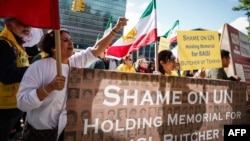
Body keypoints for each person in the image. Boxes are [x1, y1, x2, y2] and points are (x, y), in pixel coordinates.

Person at [16, 17, 128, 140]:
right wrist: (49, 88)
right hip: (39, 133)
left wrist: (116, 29)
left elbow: (96, 49)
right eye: (65, 40)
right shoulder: (38, 67)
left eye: (71, 40)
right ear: (53, 47)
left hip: (64, 131)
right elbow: (22, 103)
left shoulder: (74, 63)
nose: (71, 43)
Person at [0, 17, 31, 141]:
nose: (28, 27)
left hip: (14, 106)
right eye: (23, 23)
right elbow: (7, 75)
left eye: (29, 24)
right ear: (9, 25)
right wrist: (33, 70)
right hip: (4, 109)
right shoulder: (4, 44)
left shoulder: (16, 44)